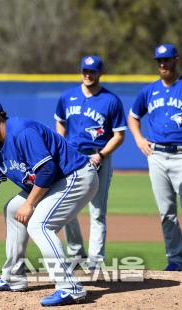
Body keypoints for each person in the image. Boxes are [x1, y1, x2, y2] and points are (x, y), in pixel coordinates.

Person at [0, 96, 99, 307]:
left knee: (40, 225)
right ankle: (13, 277)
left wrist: (30, 204)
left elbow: (47, 170)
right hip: (55, 181)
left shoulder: (22, 131)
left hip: (77, 176)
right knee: (11, 209)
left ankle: (70, 288)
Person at [127, 43, 182, 273]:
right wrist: (138, 139)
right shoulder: (149, 90)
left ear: (176, 59)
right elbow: (133, 116)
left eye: (167, 59)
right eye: (159, 60)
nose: (163, 64)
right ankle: (175, 260)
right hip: (155, 155)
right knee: (167, 212)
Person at [54, 55, 126, 269]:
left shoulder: (111, 100)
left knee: (97, 211)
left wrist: (102, 154)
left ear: (100, 73)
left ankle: (95, 260)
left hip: (98, 156)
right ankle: (76, 254)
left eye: (92, 71)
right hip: (72, 157)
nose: (88, 74)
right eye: (85, 70)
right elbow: (60, 123)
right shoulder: (67, 97)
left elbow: (119, 135)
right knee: (69, 208)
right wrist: (63, 146)